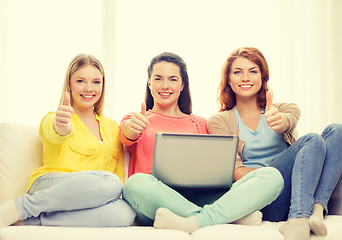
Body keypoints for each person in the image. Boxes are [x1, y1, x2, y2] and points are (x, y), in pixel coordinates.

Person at [120, 52, 284, 234]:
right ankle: (226, 217)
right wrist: (132, 128)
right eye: (158, 79)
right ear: (149, 83)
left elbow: (217, 167)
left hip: (200, 196)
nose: (165, 85)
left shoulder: (202, 123)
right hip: (156, 200)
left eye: (173, 79)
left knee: (272, 176)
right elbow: (127, 133)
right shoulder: (137, 120)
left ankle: (195, 220)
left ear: (182, 85)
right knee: (134, 184)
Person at [207, 47, 342, 240]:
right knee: (312, 140)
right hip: (264, 198)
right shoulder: (220, 121)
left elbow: (290, 118)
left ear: (263, 77)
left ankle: (317, 210)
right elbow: (235, 172)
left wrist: (282, 122)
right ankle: (299, 218)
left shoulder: (284, 109)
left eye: (253, 71)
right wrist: (274, 177)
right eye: (237, 72)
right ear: (228, 80)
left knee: (337, 131)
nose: (245, 77)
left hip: (298, 191)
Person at [0, 53, 135, 227]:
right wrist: (62, 127)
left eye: (96, 82)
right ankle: (21, 207)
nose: (89, 88)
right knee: (111, 182)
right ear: (69, 85)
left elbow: (118, 178)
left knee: (125, 213)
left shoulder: (111, 126)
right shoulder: (55, 118)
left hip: (88, 197)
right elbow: (54, 131)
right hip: (51, 186)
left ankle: (31, 222)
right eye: (80, 81)